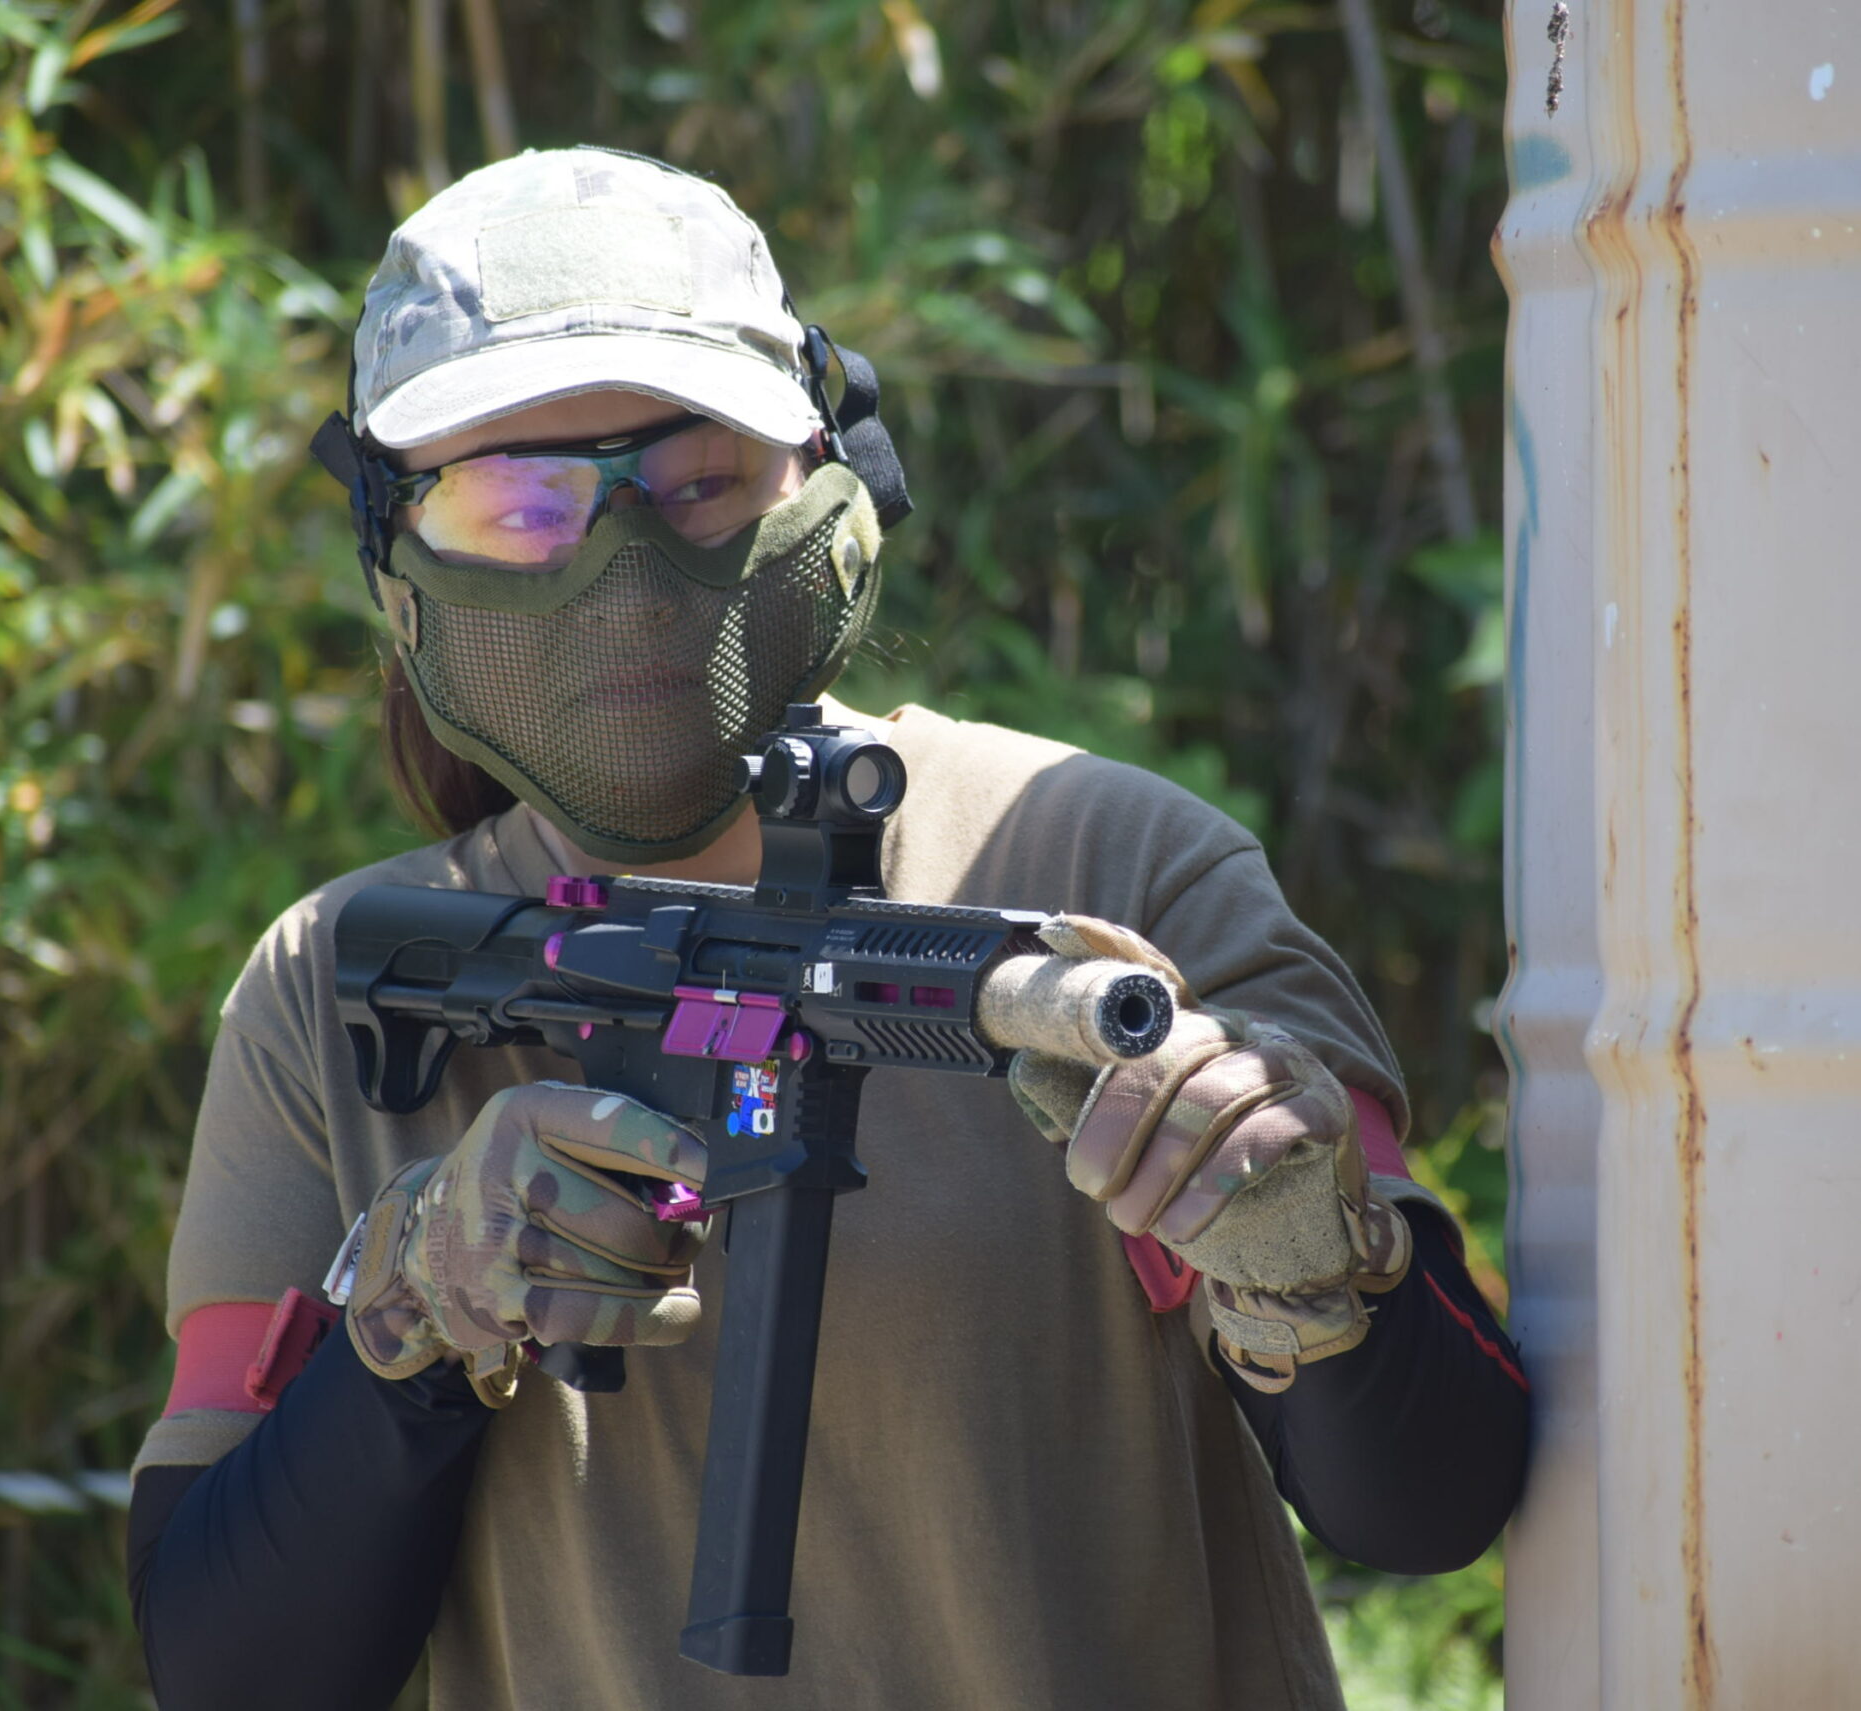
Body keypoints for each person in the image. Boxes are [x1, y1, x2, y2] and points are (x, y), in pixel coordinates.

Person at [126, 146, 1528, 1711]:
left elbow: (1433, 1497)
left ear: (826, 480)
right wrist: (413, 1318)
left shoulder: (1110, 870)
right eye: (520, 503)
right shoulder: (332, 990)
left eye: (697, 483)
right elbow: (229, 1672)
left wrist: (1307, 1255)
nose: (623, 575)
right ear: (400, 555)